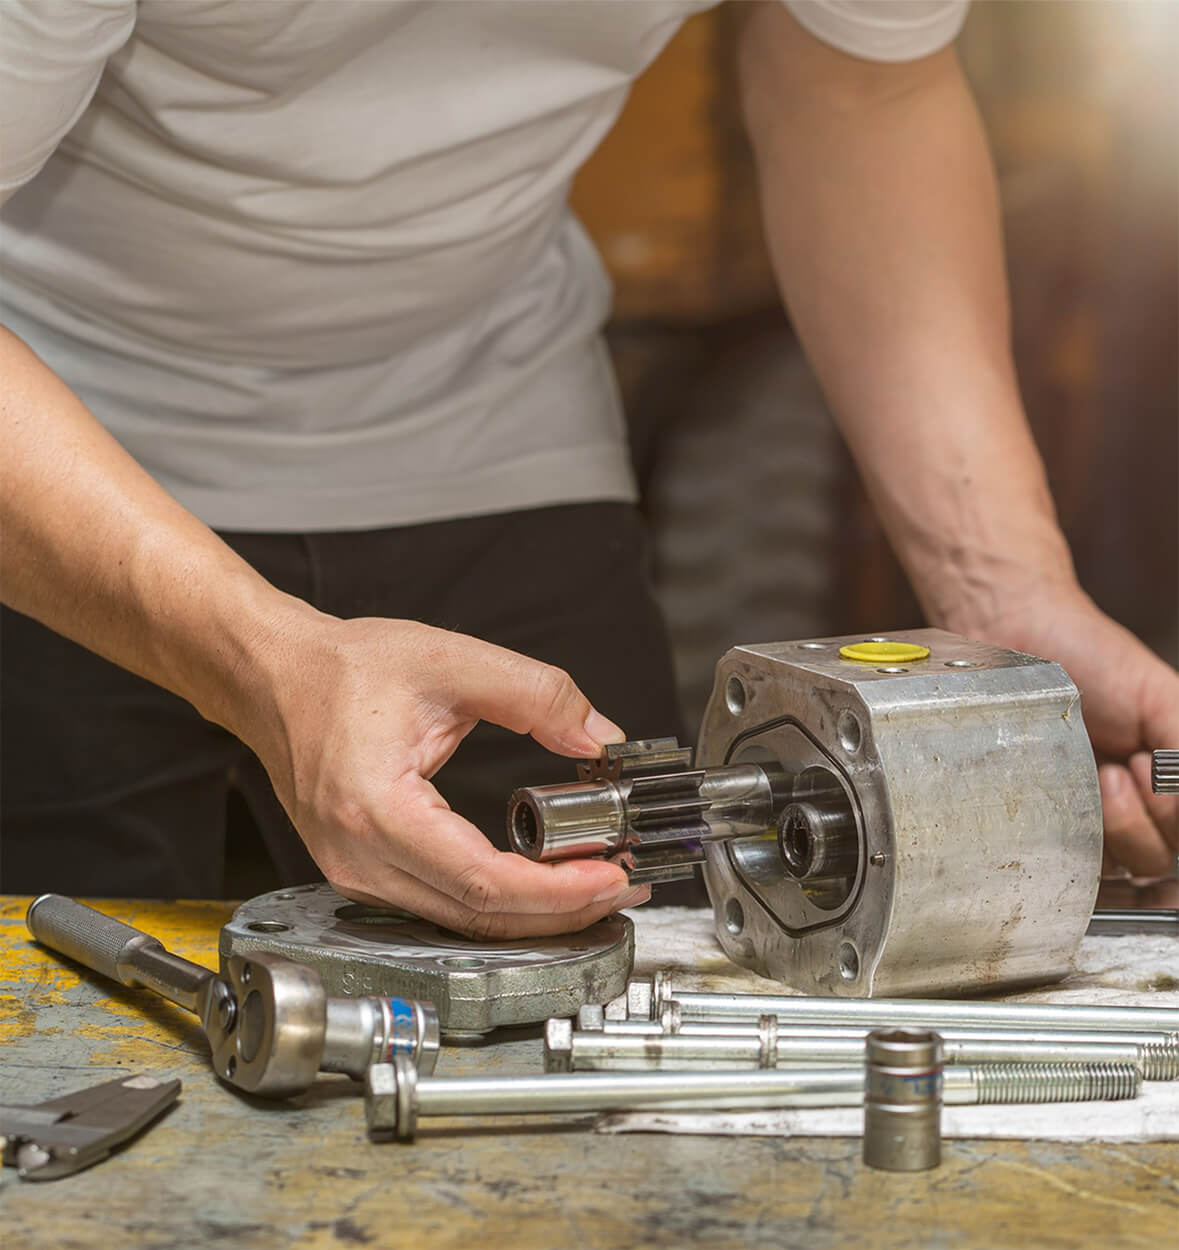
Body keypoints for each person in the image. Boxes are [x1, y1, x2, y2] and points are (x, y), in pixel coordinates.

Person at [2, 0, 1175, 936]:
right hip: (56, 440)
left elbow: (863, 80)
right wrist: (265, 665)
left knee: (639, 998)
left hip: (489, 413)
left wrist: (1004, 591)